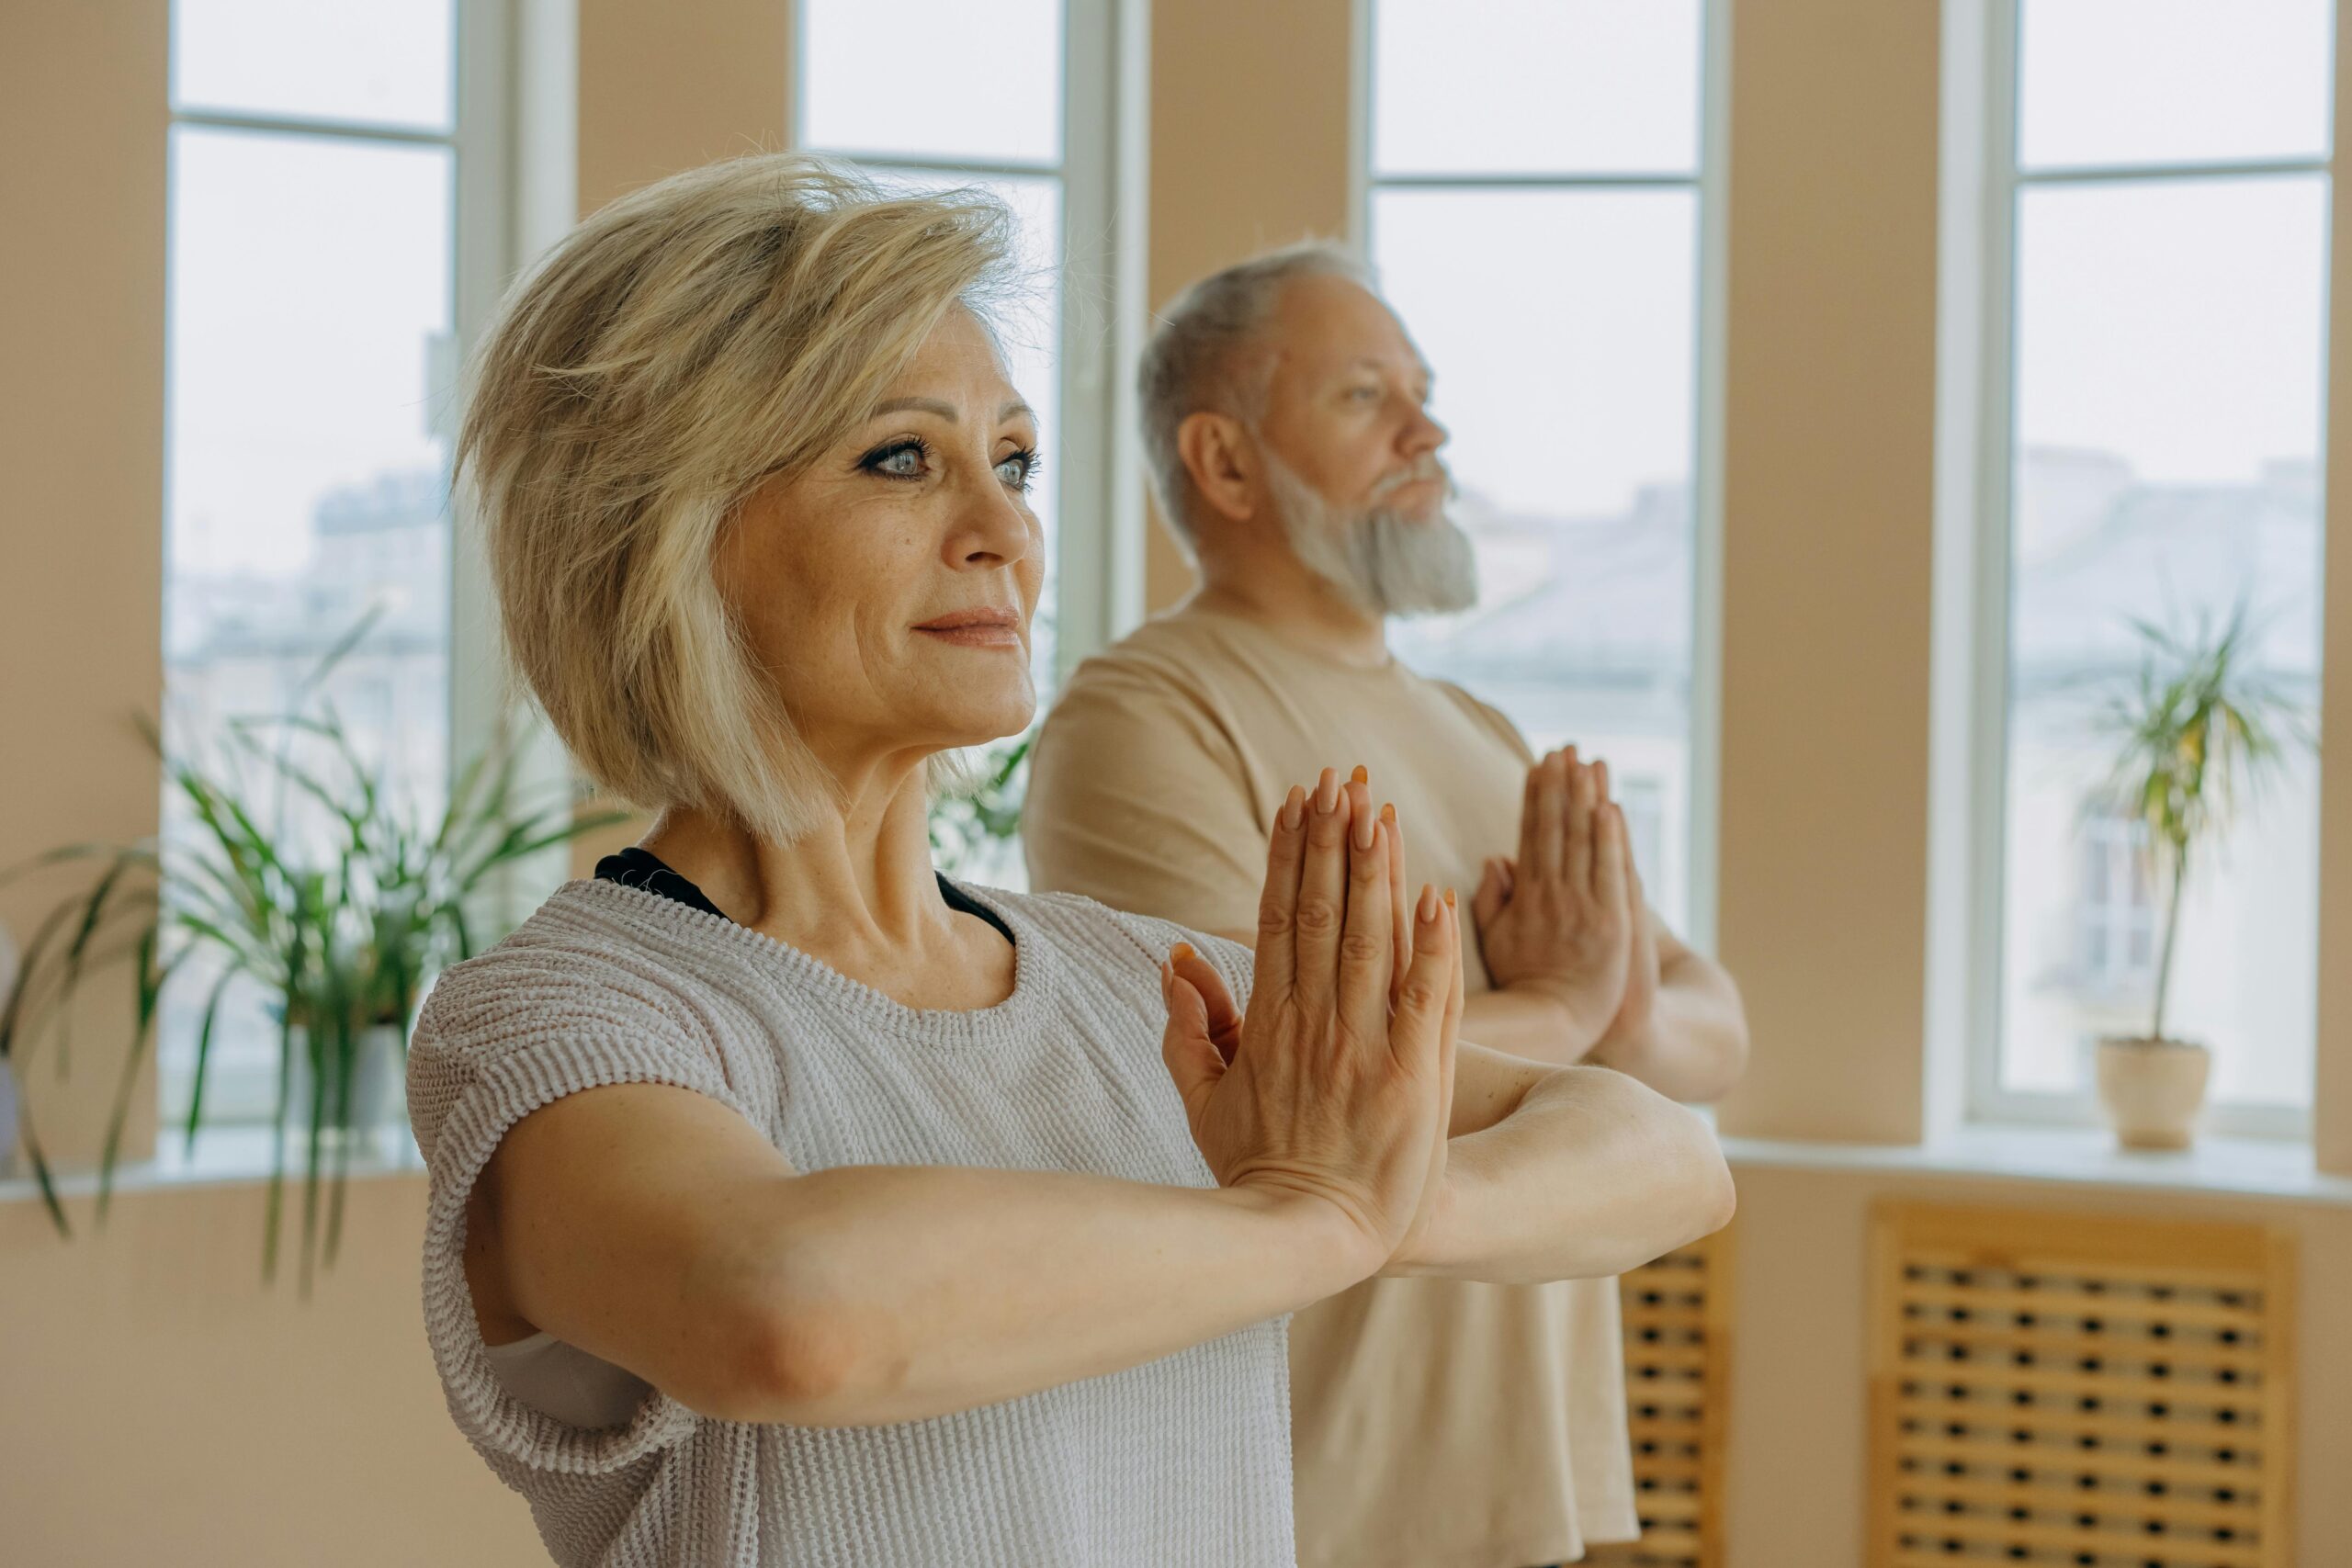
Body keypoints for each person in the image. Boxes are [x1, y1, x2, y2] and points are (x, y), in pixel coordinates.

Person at [408, 153, 1735, 1568]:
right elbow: (790, 1313)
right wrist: (1313, 1215)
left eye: (1017, 462)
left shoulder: (1128, 983)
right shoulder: (564, 1025)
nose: (1007, 534)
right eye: (903, 458)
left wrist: (1378, 1204)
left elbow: (1667, 1154)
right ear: (668, 528)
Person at [1023, 243, 1751, 1568]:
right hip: (1300, 1498)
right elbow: (1270, 1071)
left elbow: (1715, 1034)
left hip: (1539, 1499)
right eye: (1366, 397)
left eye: (1423, 391)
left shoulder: (1477, 726)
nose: (1432, 431)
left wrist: (1616, 1014)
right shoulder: (1140, 717)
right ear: (1225, 463)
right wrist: (1579, 1004)